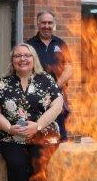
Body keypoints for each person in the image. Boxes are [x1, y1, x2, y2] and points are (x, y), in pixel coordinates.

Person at [0, 43, 64, 181]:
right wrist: (9, 128)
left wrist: (37, 126)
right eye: (17, 56)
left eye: (26, 55)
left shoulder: (45, 79)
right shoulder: (3, 83)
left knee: (39, 162)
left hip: (43, 133)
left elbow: (57, 105)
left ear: (33, 59)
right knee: (17, 164)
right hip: (11, 136)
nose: (22, 59)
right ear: (12, 60)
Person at [26, 10, 73, 140]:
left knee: (60, 130)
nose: (46, 26)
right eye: (43, 23)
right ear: (38, 23)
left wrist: (55, 87)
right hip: (36, 95)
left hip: (57, 94)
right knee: (39, 130)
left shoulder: (60, 43)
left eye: (50, 23)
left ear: (54, 24)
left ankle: (60, 154)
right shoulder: (29, 45)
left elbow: (69, 68)